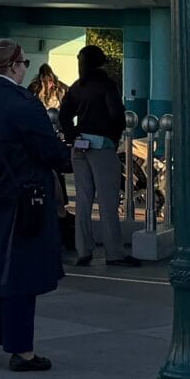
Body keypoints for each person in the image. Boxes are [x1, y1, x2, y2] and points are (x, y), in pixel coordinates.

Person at [0, 38, 72, 371]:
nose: (26, 70)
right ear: (14, 65)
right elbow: (50, 152)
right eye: (25, 65)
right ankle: (21, 350)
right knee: (20, 273)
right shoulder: (24, 104)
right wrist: (70, 155)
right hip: (21, 199)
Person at [57, 45, 136, 268]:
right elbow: (116, 116)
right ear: (101, 62)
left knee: (83, 200)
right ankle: (114, 253)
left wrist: (74, 135)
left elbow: (64, 115)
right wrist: (112, 136)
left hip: (79, 145)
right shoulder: (107, 86)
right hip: (101, 145)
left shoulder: (77, 86)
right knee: (108, 200)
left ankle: (83, 250)